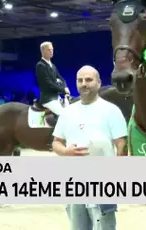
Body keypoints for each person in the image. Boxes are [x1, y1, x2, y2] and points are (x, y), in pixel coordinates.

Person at [51, 65, 127, 230]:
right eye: (80, 80)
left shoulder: (111, 111)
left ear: (99, 83)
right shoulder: (67, 112)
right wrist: (65, 151)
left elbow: (121, 145)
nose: (84, 84)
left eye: (89, 80)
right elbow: (56, 142)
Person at [35, 41, 70, 117]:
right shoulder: (40, 65)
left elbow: (61, 78)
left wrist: (65, 86)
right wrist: (62, 90)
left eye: (52, 49)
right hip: (48, 99)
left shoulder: (53, 65)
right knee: (64, 116)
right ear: (43, 51)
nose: (51, 51)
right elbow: (48, 84)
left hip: (57, 97)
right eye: (49, 50)